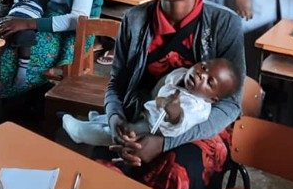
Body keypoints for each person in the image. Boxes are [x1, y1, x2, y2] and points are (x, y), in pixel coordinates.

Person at [103, 0, 246, 189]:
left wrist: (164, 143)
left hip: (201, 127)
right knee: (101, 171)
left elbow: (230, 106)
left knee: (177, 173)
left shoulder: (224, 24)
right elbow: (115, 83)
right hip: (139, 121)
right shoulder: (134, 20)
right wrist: (115, 120)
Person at [62, 58, 241, 146]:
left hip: (155, 129)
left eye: (209, 82)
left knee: (125, 133)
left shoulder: (197, 106)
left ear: (212, 99)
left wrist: (174, 112)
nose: (201, 74)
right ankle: (97, 120)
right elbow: (164, 84)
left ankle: (81, 132)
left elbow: (180, 122)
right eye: (203, 66)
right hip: (147, 109)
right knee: (125, 117)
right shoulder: (183, 74)